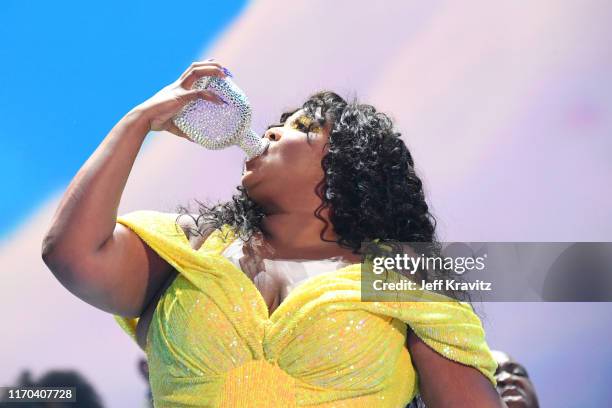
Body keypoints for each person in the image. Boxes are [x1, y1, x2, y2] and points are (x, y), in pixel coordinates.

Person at [42, 59, 504, 407]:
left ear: (352, 166)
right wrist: (138, 121)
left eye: (300, 126)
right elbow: (72, 254)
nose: (272, 131)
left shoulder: (400, 282)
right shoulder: (193, 250)